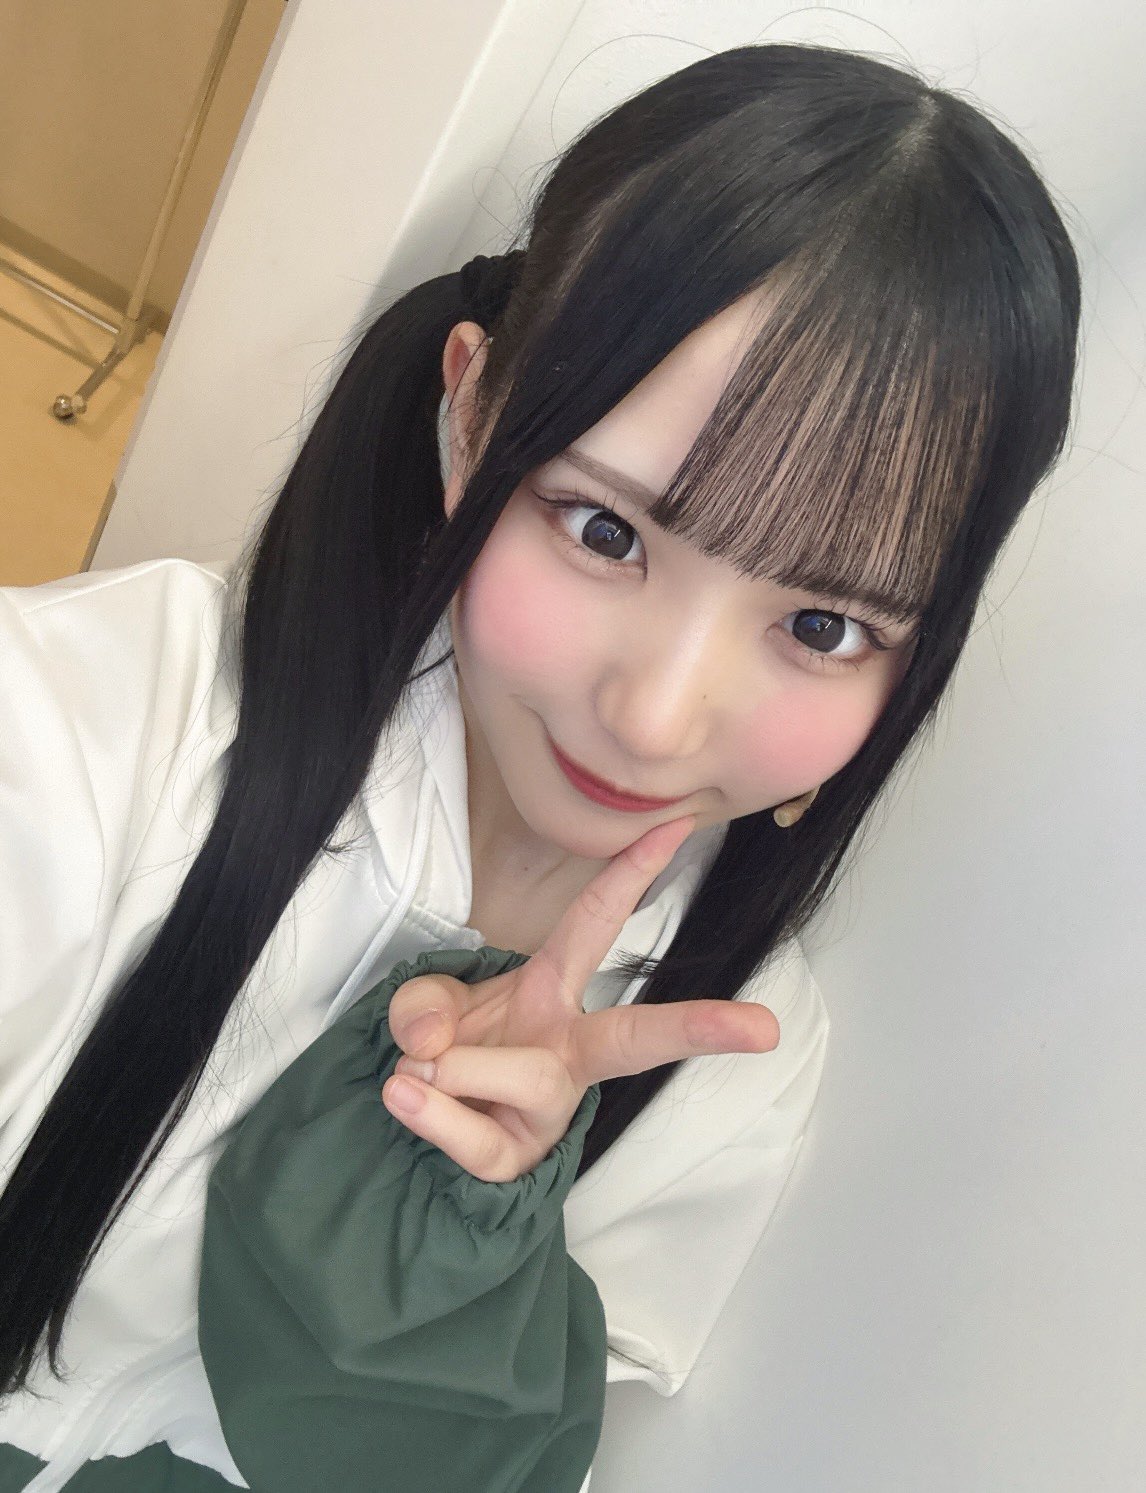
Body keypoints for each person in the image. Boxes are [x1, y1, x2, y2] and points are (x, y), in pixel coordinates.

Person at [0, 38, 1079, 1493]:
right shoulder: (95, 725)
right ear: (470, 418)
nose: (657, 717)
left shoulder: (728, 1057)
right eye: (604, 530)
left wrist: (461, 1255)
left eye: (822, 625)